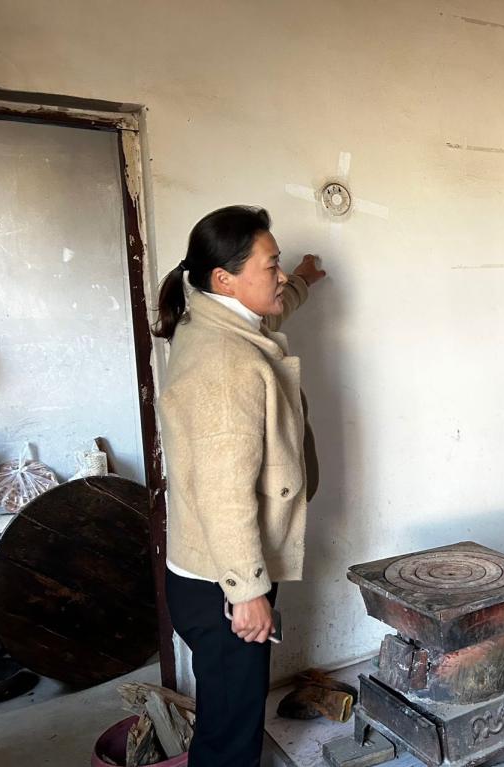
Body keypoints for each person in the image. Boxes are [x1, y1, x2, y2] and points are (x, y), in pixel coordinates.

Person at [152, 205, 325, 767]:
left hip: (214, 569)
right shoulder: (227, 366)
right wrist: (247, 592)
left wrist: (302, 280)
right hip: (224, 582)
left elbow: (275, 307)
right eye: (271, 265)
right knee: (230, 733)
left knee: (231, 711)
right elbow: (223, 493)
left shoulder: (217, 318)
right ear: (225, 278)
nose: (280, 275)